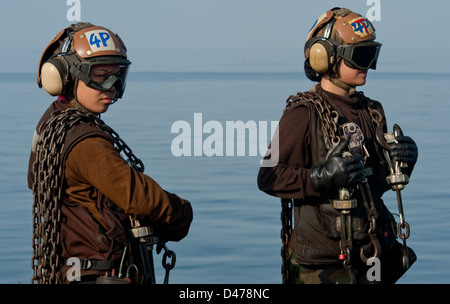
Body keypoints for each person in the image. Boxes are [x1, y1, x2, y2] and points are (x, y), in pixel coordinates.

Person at [257, 7, 418, 284]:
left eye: (371, 55)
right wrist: (321, 177)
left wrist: (402, 162)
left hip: (370, 255)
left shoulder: (372, 111)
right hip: (322, 265)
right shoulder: (302, 113)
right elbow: (269, 177)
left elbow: (374, 185)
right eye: (360, 57)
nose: (367, 65)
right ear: (326, 58)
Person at [28, 22, 193, 284]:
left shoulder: (52, 123)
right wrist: (182, 213)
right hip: (98, 275)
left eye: (118, 75)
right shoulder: (84, 141)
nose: (112, 85)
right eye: (100, 74)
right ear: (66, 76)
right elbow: (140, 198)